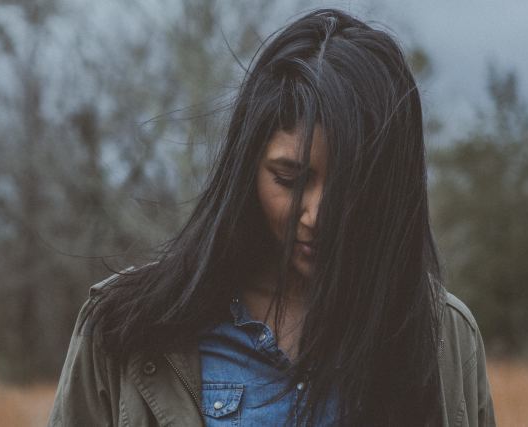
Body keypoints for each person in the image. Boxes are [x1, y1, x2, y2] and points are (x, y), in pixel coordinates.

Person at [49, 8, 494, 426]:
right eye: (290, 178)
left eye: (351, 189)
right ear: (246, 169)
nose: (317, 215)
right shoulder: (123, 329)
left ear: (389, 194)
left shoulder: (445, 339)